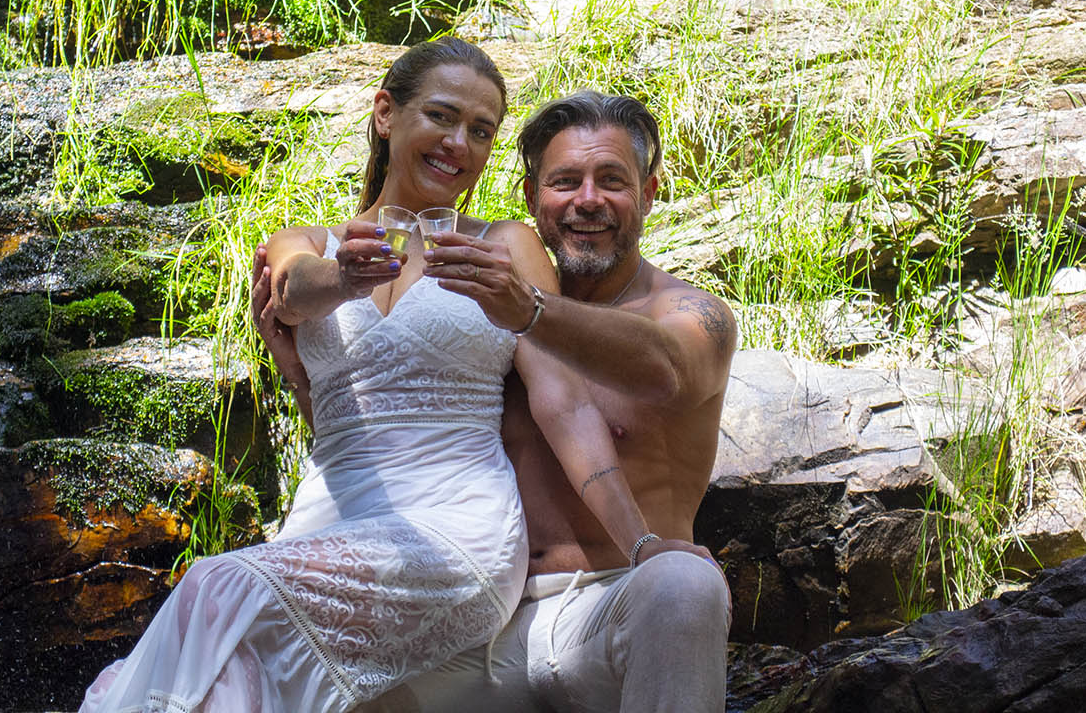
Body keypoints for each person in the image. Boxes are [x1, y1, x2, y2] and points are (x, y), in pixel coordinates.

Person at [80, 41, 684, 713]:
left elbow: (563, 405)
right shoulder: (311, 242)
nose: (459, 143)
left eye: (481, 132)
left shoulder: (504, 245)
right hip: (323, 527)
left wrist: (642, 543)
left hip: (456, 533)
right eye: (442, 117)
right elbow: (292, 289)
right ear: (385, 113)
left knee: (217, 586)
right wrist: (343, 276)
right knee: (231, 677)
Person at [255, 90, 737, 712]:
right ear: (534, 197)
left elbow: (667, 371)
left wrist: (532, 312)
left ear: (648, 193)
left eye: (611, 181)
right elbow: (381, 442)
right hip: (477, 624)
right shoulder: (485, 324)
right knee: (301, 661)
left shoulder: (690, 315)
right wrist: (300, 369)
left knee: (685, 585)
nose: (587, 200)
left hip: (609, 608)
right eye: (565, 182)